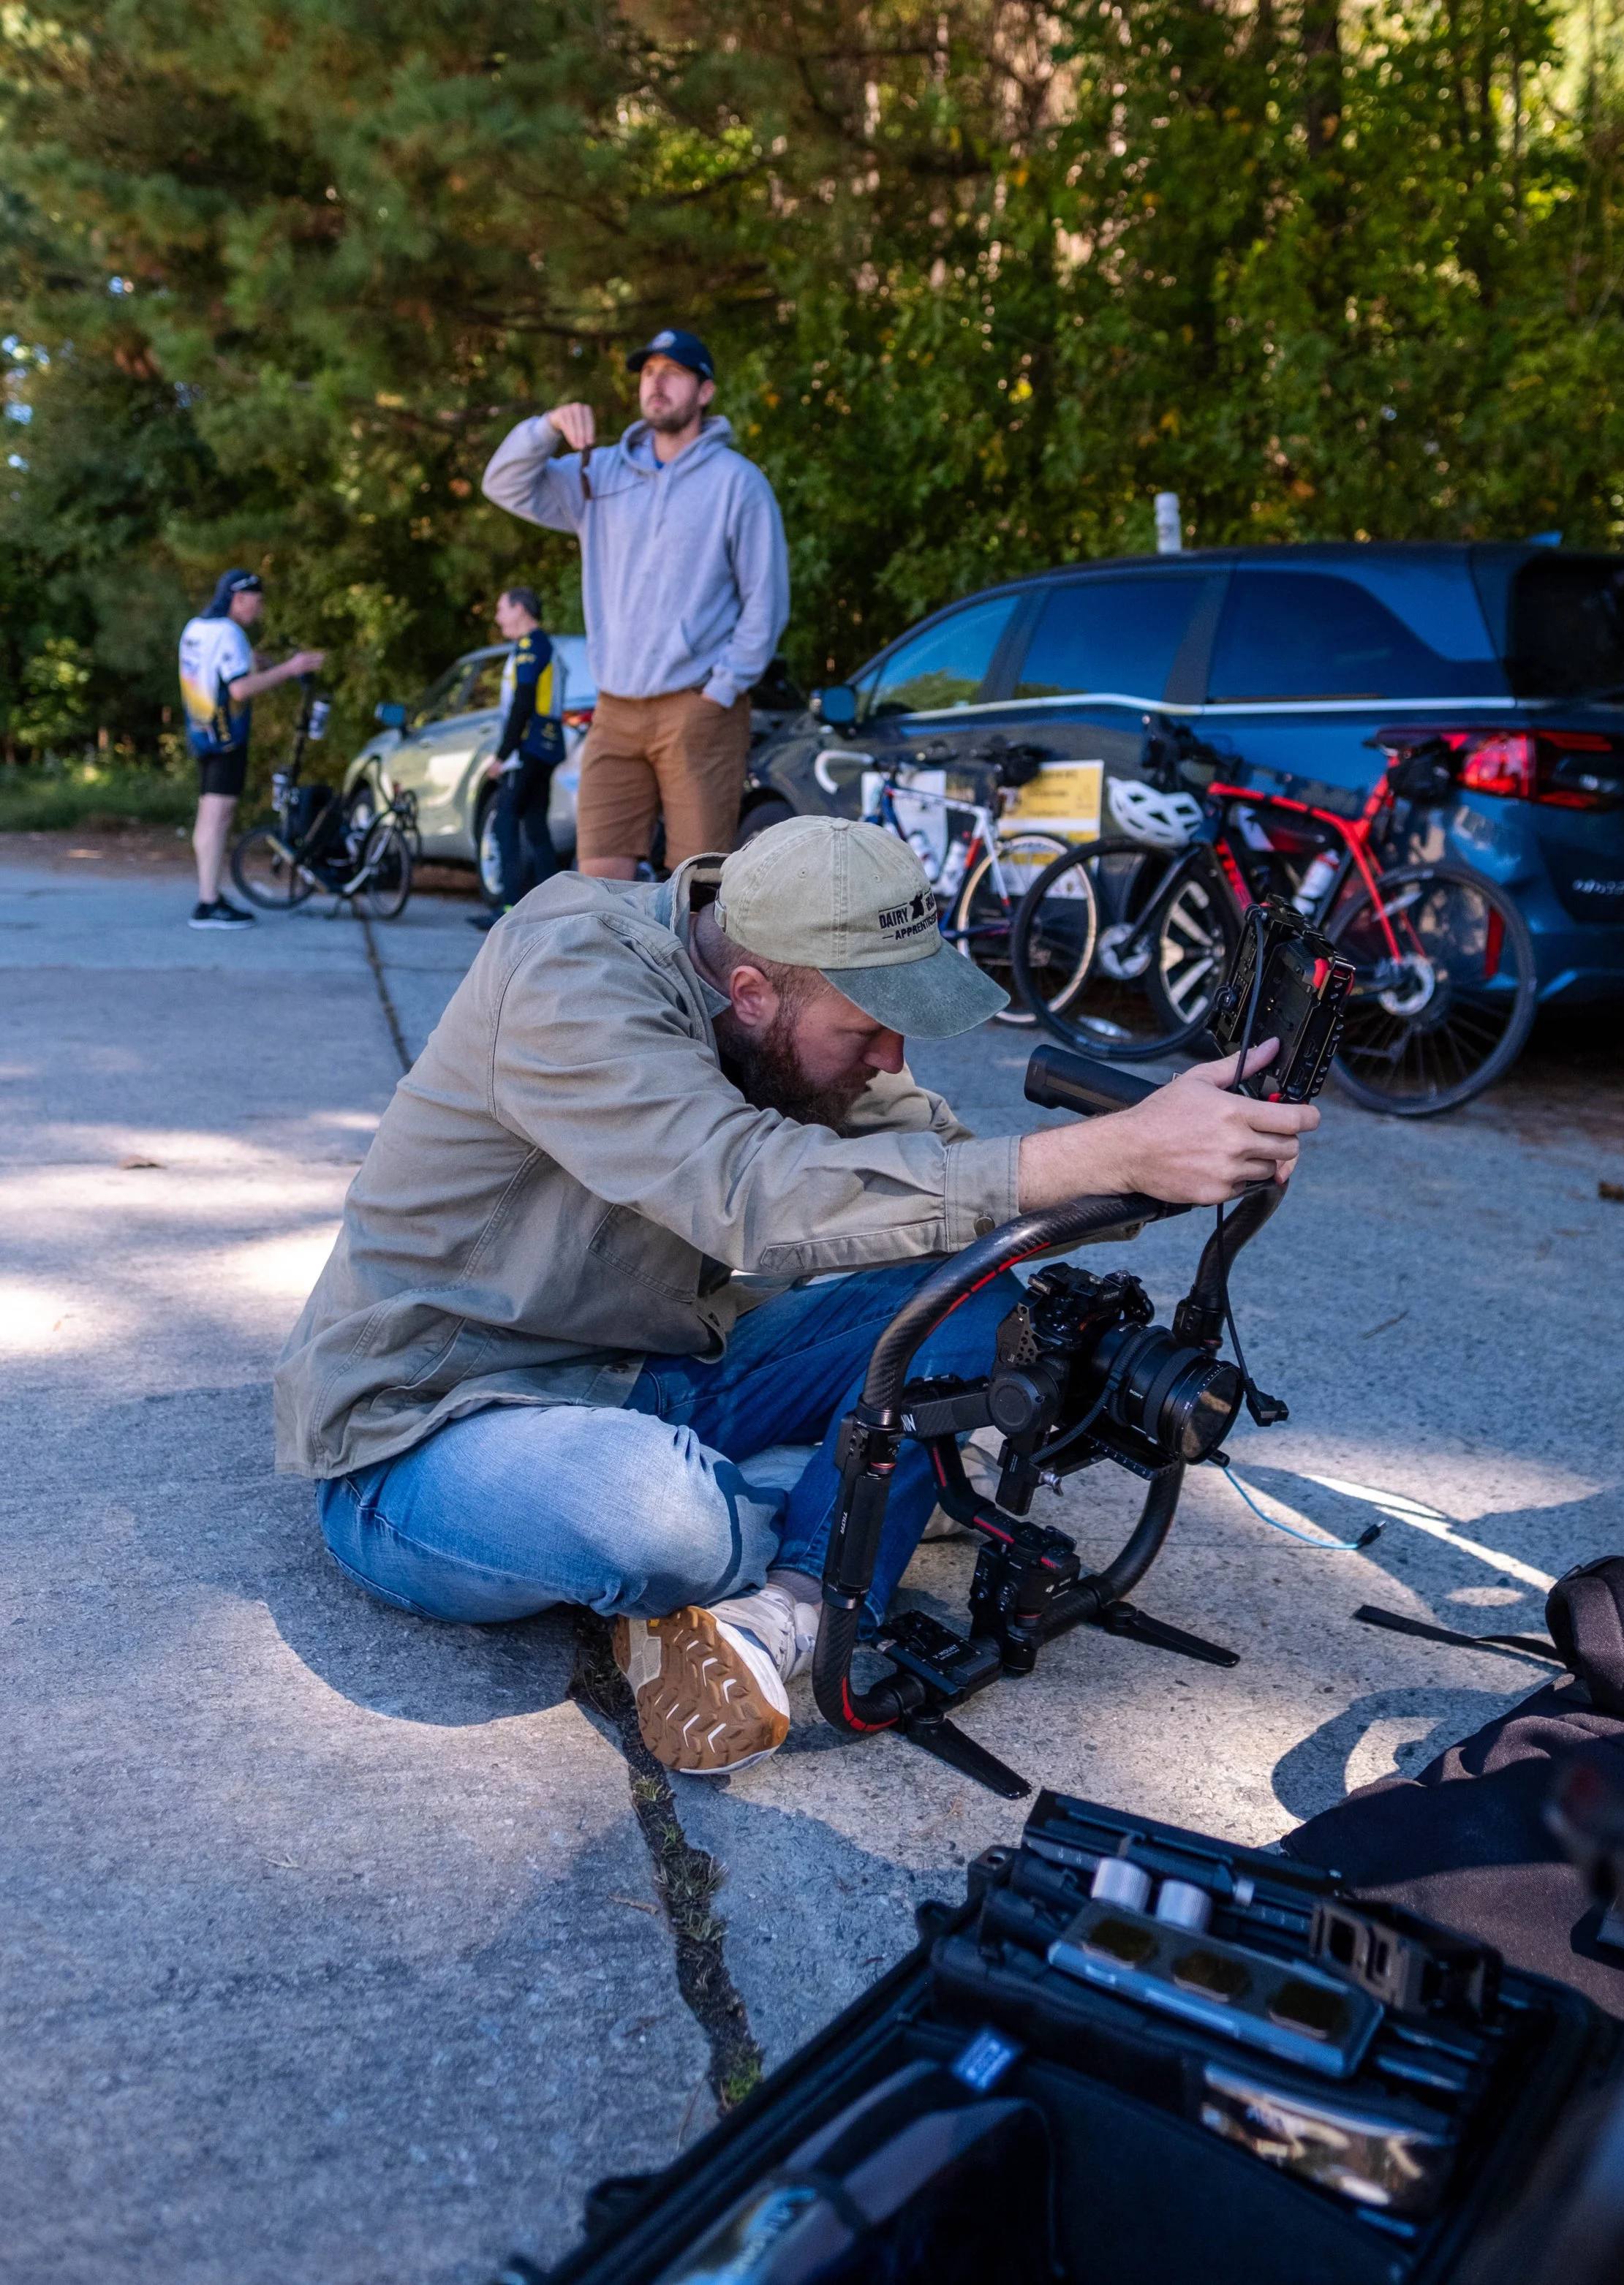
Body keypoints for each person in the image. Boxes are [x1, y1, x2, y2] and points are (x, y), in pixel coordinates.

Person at [274, 817, 1315, 1777]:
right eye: (868, 1027)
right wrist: (1097, 1151)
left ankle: (787, 1610)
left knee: (976, 1296)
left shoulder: (778, 1012)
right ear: (754, 991)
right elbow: (747, 1193)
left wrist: (1177, 1154)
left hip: (656, 1378)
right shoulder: (570, 973)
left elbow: (952, 1167)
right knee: (663, 1516)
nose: (892, 1055)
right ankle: (834, 1509)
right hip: (432, 1427)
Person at [480, 326, 788, 882]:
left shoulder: (738, 484)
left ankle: (692, 975)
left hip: (697, 708)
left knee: (698, 888)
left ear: (705, 390)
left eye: (673, 372)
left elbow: (765, 603)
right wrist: (546, 428)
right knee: (598, 884)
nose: (657, 383)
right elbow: (503, 484)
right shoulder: (598, 474)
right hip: (615, 710)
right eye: (648, 372)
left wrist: (720, 690)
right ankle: (624, 974)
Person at [176, 568, 325, 929]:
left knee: (207, 816)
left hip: (201, 732)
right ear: (238, 598)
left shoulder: (196, 628)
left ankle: (207, 893)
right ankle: (208, 902)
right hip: (228, 736)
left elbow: (214, 667)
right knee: (218, 817)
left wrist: (255, 659)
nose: (258, 611)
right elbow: (240, 690)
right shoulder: (230, 633)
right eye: (256, 603)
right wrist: (291, 669)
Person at [471, 586, 565, 932]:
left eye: (501, 609)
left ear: (521, 609)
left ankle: (510, 909)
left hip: (527, 750)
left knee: (504, 822)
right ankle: (556, 908)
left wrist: (502, 755)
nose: (497, 617)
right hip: (547, 747)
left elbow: (523, 703)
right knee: (537, 827)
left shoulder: (530, 647)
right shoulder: (546, 647)